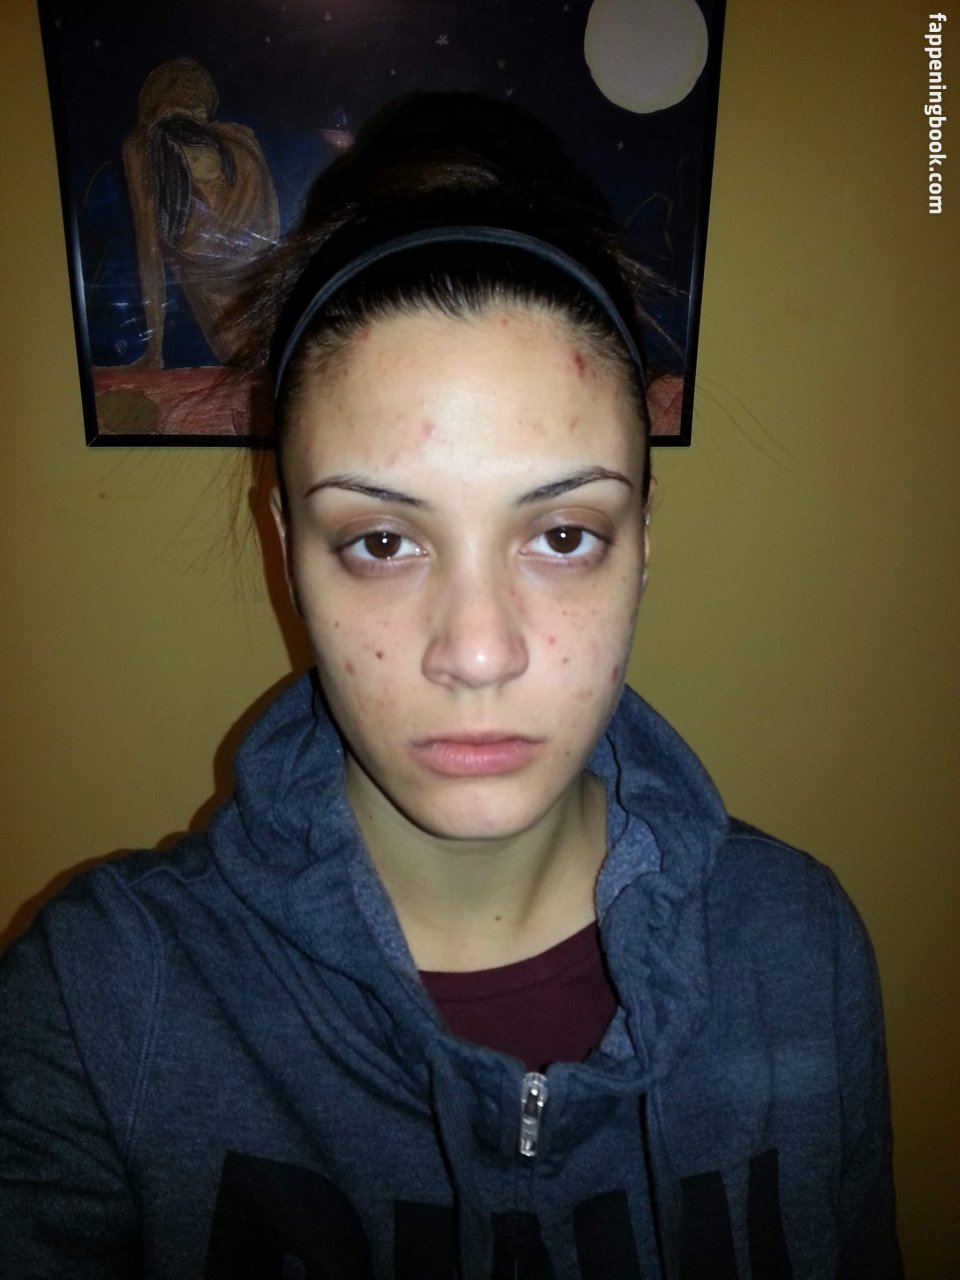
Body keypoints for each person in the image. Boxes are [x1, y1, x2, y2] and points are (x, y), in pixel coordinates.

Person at [0, 94, 901, 1278]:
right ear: (287, 547)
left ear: (644, 544)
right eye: (383, 541)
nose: (477, 652)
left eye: (563, 535)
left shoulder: (800, 947)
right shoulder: (101, 999)